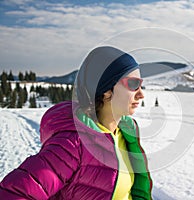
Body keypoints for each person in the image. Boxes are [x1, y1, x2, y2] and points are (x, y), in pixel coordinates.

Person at [0, 46, 153, 199]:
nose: (141, 94)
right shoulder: (73, 143)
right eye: (133, 84)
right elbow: (14, 193)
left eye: (141, 85)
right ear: (106, 89)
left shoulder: (127, 135)